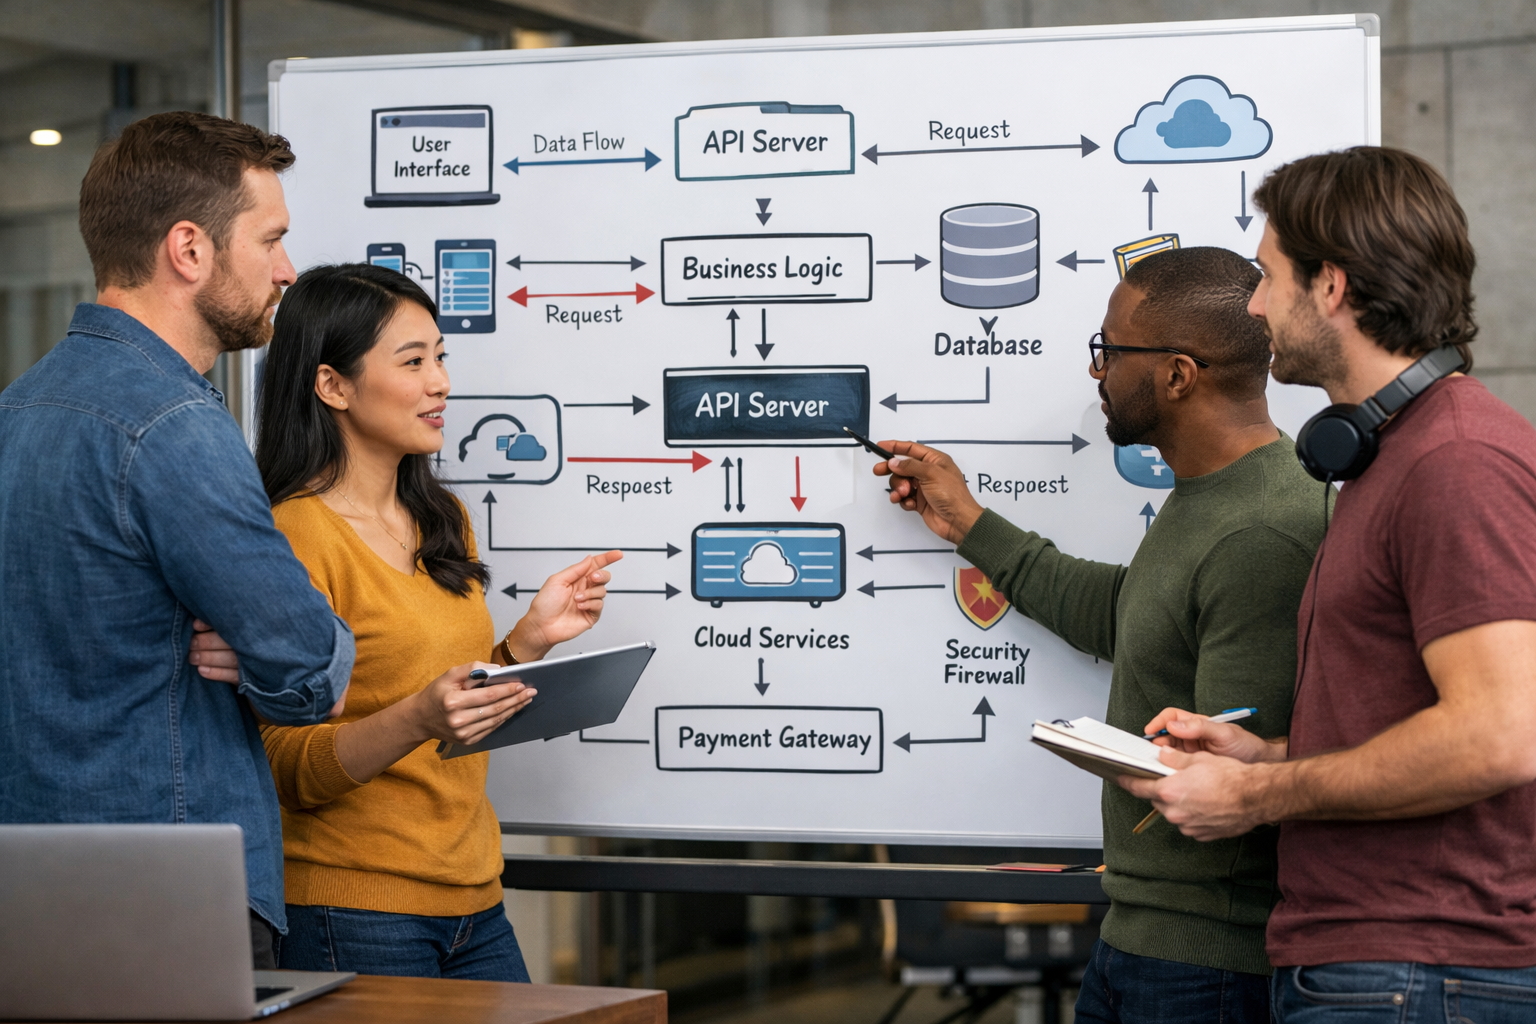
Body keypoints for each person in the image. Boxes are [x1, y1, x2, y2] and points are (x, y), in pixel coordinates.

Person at [1122, 148, 1536, 1023]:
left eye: (1268, 278)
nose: (1257, 305)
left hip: (1419, 974)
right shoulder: (1392, 458)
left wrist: (1257, 796)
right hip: (1381, 968)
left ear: (1333, 287)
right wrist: (1268, 757)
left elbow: (1500, 735)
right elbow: (1404, 725)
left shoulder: (1455, 461)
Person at [876, 247, 1328, 1023]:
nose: (1097, 372)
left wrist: (1110, 752)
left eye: (1109, 352)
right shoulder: (1213, 499)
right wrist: (969, 523)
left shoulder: (1264, 531)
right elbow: (1131, 614)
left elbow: (1230, 781)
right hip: (1144, 942)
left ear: (1178, 374)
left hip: (1206, 965)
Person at [0, 112, 353, 969]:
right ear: (189, 250)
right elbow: (307, 666)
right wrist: (298, 651)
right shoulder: (176, 427)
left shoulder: (15, 411)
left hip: (31, 886)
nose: (286, 271)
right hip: (170, 895)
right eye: (270, 240)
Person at [251, 263, 620, 981]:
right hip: (351, 910)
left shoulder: (439, 518)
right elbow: (280, 766)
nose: (441, 382)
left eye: (441, 357)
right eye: (413, 361)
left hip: (475, 900)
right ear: (333, 386)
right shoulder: (294, 535)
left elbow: (451, 707)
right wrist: (418, 716)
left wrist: (524, 645)